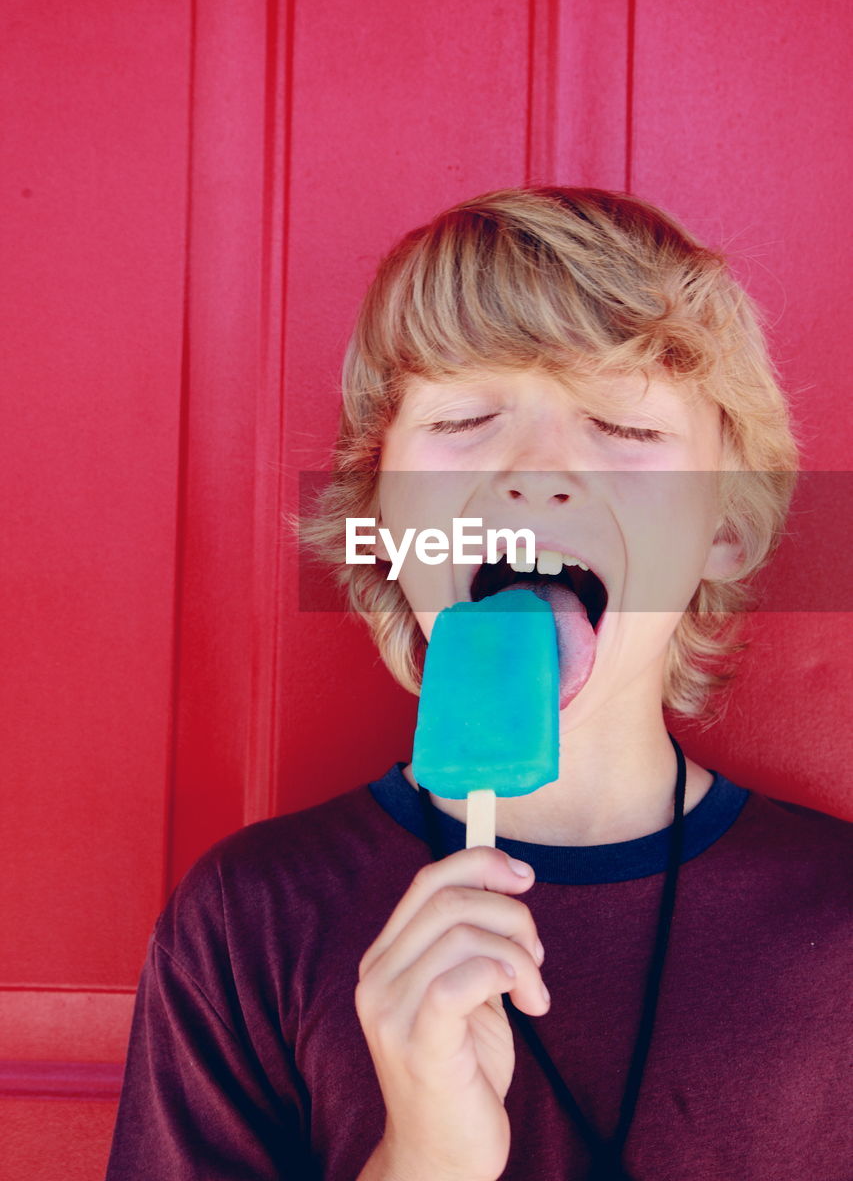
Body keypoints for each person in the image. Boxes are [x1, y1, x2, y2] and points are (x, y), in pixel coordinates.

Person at [105, 188, 852, 1181]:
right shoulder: (252, 918)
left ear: (724, 523)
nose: (536, 469)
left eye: (624, 432)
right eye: (463, 417)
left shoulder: (835, 919)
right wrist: (422, 1158)